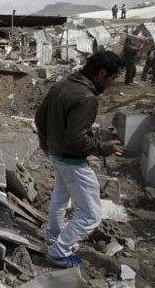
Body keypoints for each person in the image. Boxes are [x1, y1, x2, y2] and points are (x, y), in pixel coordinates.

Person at [35, 51, 125, 268]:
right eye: (112, 78)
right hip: (72, 160)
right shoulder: (86, 97)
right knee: (91, 214)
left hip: (57, 154)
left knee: (60, 199)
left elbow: (40, 118)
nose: (112, 84)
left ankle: (53, 237)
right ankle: (59, 252)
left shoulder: (63, 84)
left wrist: (47, 146)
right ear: (101, 73)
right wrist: (104, 148)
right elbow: (77, 138)